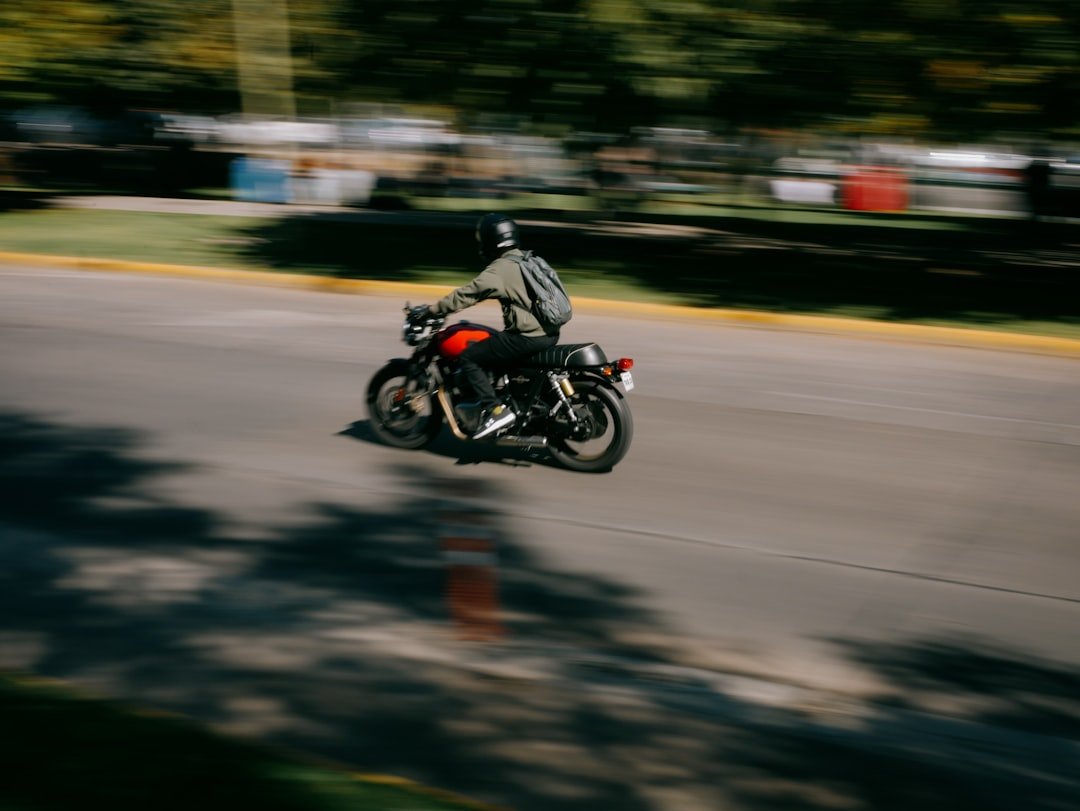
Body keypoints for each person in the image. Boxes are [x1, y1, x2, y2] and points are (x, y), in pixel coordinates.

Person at [423, 213, 561, 439]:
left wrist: (433, 310)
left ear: (490, 241)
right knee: (495, 349)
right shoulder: (529, 259)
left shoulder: (501, 268)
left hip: (526, 337)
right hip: (549, 333)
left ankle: (495, 410)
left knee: (469, 357)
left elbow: (468, 293)